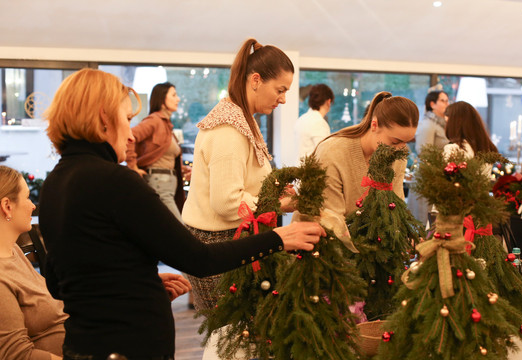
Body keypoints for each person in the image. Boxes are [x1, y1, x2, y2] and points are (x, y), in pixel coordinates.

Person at [38, 68, 323, 360]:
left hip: (81, 345)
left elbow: (59, 283)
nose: (131, 135)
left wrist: (133, 278)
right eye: (126, 119)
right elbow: (199, 259)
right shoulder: (115, 182)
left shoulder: (54, 184)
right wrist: (278, 239)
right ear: (103, 119)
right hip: (129, 346)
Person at [181, 38, 297, 311]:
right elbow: (227, 202)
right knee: (229, 340)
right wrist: (279, 204)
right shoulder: (229, 130)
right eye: (280, 89)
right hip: (219, 244)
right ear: (256, 80)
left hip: (230, 239)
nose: (283, 99)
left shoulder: (243, 119)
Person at [314, 91, 419, 219]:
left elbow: (396, 208)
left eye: (405, 142)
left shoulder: (397, 157)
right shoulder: (332, 152)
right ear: (374, 125)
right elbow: (331, 219)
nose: (400, 150)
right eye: (395, 142)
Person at [0, 166, 66, 360]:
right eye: (27, 197)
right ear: (7, 206)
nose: (33, 205)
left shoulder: (14, 251)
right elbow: (17, 355)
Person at [126, 82, 189, 221]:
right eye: (174, 95)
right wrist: (133, 167)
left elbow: (162, 156)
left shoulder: (166, 125)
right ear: (162, 99)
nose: (178, 99)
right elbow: (130, 137)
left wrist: (183, 169)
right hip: (159, 184)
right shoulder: (154, 121)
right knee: (179, 230)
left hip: (166, 185)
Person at [408, 90, 449, 223]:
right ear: (432, 104)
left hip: (438, 177)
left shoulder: (442, 124)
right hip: (427, 178)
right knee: (424, 218)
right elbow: (423, 151)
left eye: (447, 100)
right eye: (443, 101)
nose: (447, 104)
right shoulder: (428, 124)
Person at [294, 83, 334, 161]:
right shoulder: (319, 123)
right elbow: (324, 155)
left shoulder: (301, 119)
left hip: (299, 169)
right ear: (328, 102)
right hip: (311, 171)